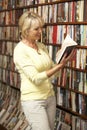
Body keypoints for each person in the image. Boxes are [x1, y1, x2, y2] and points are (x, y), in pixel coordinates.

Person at [13, 11, 76, 130]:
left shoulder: (41, 46)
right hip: (33, 101)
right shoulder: (20, 50)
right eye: (36, 29)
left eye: (41, 28)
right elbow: (36, 78)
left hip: (50, 97)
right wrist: (59, 66)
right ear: (26, 30)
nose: (40, 32)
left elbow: (53, 73)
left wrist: (63, 61)